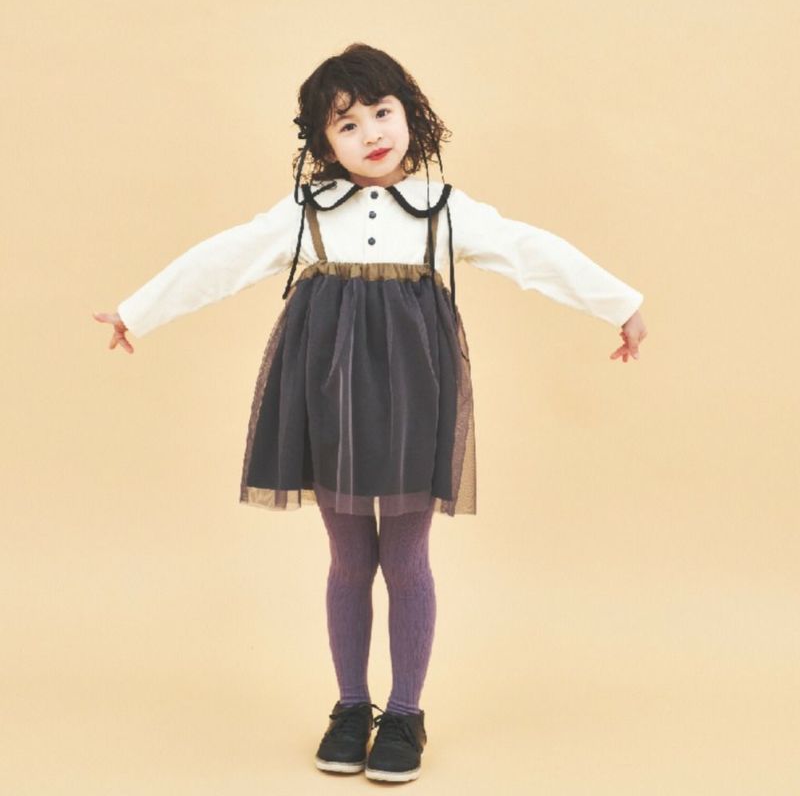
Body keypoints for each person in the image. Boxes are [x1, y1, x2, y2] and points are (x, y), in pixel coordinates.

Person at [93, 43, 648, 783]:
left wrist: (620, 304)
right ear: (325, 146)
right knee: (350, 559)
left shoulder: (445, 210)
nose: (371, 133)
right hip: (329, 402)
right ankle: (352, 706)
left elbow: (531, 251)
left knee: (407, 558)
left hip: (416, 400)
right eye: (347, 125)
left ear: (410, 116)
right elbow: (222, 258)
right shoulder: (307, 213)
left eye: (382, 113)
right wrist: (138, 310)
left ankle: (405, 714)